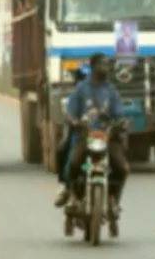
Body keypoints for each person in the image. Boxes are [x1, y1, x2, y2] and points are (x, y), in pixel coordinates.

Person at [63, 54, 130, 215]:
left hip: (107, 138)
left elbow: (119, 114)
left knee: (122, 168)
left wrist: (122, 123)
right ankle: (73, 195)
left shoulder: (111, 90)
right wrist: (74, 122)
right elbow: (71, 113)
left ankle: (114, 201)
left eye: (107, 65)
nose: (105, 68)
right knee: (74, 164)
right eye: (102, 65)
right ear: (93, 67)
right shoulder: (81, 89)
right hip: (86, 137)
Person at [53, 63, 90, 207]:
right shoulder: (74, 98)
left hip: (100, 138)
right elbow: (69, 114)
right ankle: (65, 186)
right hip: (79, 137)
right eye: (82, 78)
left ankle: (113, 197)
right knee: (63, 150)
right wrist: (74, 122)